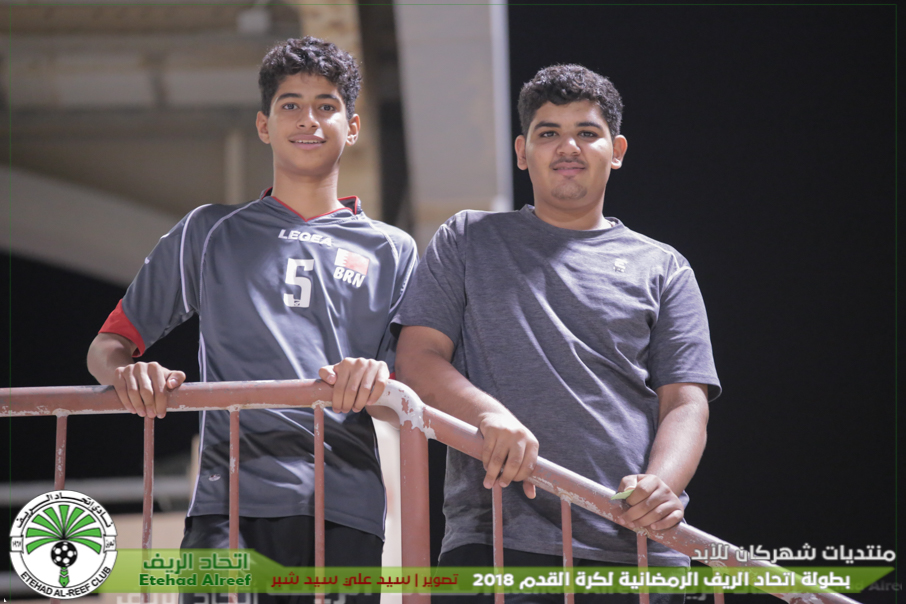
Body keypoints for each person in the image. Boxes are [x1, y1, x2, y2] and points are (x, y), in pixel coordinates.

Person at [87, 37, 417, 604]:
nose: (308, 119)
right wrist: (126, 374)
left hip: (346, 506)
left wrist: (381, 380)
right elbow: (107, 345)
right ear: (264, 125)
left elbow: (411, 392)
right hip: (229, 500)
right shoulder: (209, 231)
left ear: (352, 127)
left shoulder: (394, 250)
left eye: (326, 105)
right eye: (291, 105)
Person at [393, 64, 720, 603]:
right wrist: (488, 414)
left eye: (586, 132)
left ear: (616, 150)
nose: (568, 147)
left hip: (637, 549)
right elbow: (417, 357)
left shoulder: (664, 267)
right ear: (523, 151)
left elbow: (686, 401)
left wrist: (663, 483)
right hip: (497, 540)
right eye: (549, 133)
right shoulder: (468, 238)